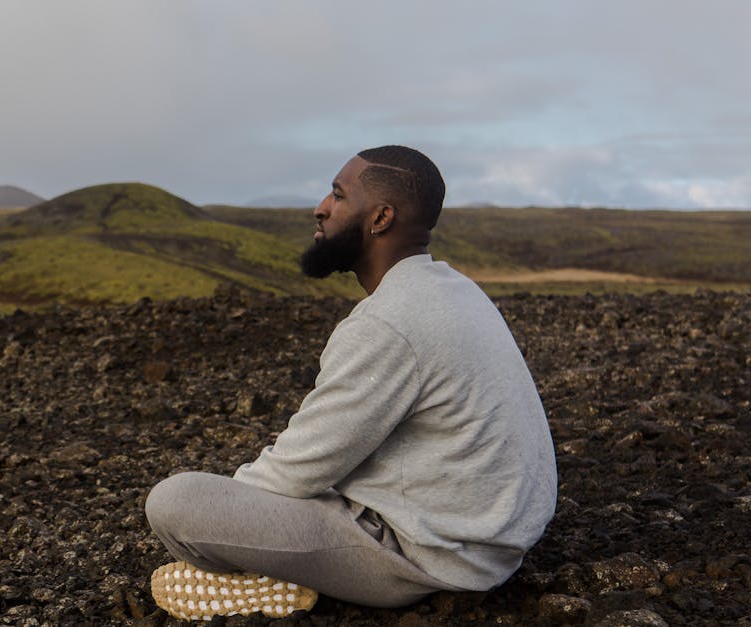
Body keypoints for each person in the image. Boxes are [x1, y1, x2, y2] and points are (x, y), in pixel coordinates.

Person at [144, 145, 557, 621]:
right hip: (493, 540)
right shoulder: (456, 290)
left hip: (428, 557)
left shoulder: (388, 323)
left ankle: (272, 584)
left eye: (338, 196)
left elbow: (296, 471)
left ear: (380, 218)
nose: (321, 208)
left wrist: (233, 514)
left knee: (175, 503)